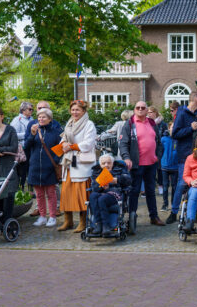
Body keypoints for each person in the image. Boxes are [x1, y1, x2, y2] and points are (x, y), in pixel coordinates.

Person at [119, 101, 164, 228]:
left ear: (146, 110)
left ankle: (154, 217)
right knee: (134, 191)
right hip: (136, 164)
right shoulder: (129, 124)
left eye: (143, 108)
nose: (140, 109)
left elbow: (159, 142)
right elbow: (123, 144)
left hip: (151, 163)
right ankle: (132, 218)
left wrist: (158, 157)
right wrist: (126, 158)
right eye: (137, 107)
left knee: (150, 191)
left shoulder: (151, 123)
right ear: (134, 110)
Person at [57, 100, 97, 233]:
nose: (75, 112)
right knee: (66, 192)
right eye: (73, 110)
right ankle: (68, 221)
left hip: (81, 162)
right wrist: (63, 144)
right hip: (69, 162)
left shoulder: (88, 124)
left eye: (77, 110)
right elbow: (63, 138)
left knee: (82, 194)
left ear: (84, 111)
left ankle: (83, 222)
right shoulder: (69, 124)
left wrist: (72, 146)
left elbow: (89, 143)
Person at [165, 93, 197, 224]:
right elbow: (175, 134)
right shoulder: (181, 113)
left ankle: (193, 213)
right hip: (184, 155)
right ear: (195, 99)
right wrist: (190, 129)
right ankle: (174, 212)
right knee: (181, 184)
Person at [24, 106, 63, 227]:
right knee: (39, 195)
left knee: (51, 194)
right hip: (35, 165)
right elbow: (26, 146)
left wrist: (55, 162)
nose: (40, 119)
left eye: (43, 117)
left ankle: (52, 216)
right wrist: (32, 134)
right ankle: (42, 216)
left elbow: (60, 149)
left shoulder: (56, 132)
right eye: (39, 117)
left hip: (49, 166)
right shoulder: (34, 130)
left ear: (50, 119)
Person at [88, 154, 131, 237]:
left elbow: (128, 180)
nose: (106, 165)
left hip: (115, 193)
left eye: (109, 163)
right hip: (100, 192)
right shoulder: (96, 171)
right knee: (93, 196)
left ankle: (105, 226)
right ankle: (98, 224)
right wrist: (100, 186)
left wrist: (117, 180)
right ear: (100, 164)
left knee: (102, 199)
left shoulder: (119, 168)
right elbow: (94, 187)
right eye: (103, 163)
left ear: (113, 163)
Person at [10, 102, 35, 189]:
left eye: (32, 109)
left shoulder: (32, 119)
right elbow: (13, 134)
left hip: (32, 146)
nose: (32, 111)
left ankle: (31, 189)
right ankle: (21, 189)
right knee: (23, 170)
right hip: (23, 148)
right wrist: (28, 134)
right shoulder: (17, 120)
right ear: (23, 110)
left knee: (31, 168)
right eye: (30, 109)